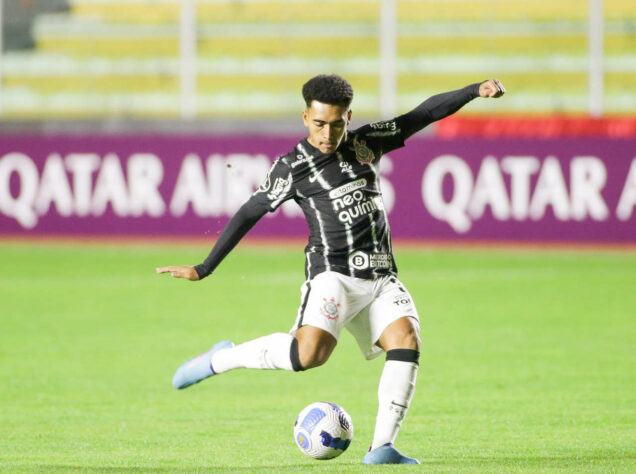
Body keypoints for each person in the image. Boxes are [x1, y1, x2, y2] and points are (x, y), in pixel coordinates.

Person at [157, 74, 505, 464]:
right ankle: (221, 359)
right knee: (309, 357)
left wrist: (474, 91)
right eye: (320, 124)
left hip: (380, 274)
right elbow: (250, 211)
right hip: (332, 275)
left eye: (337, 124)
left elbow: (421, 114)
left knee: (406, 339)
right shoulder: (292, 167)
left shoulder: (366, 142)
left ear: (348, 117)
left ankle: (382, 448)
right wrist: (205, 268)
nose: (328, 133)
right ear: (305, 117)